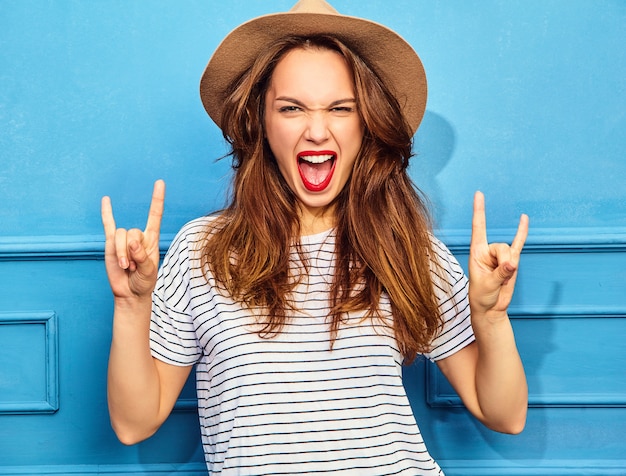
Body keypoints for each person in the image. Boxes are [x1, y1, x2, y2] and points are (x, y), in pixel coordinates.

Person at [101, 0, 529, 474]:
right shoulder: (203, 251)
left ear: (365, 124)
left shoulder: (406, 248)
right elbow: (133, 424)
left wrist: (490, 319)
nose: (317, 130)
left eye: (340, 108)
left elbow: (504, 414)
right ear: (261, 122)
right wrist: (130, 307)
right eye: (292, 108)